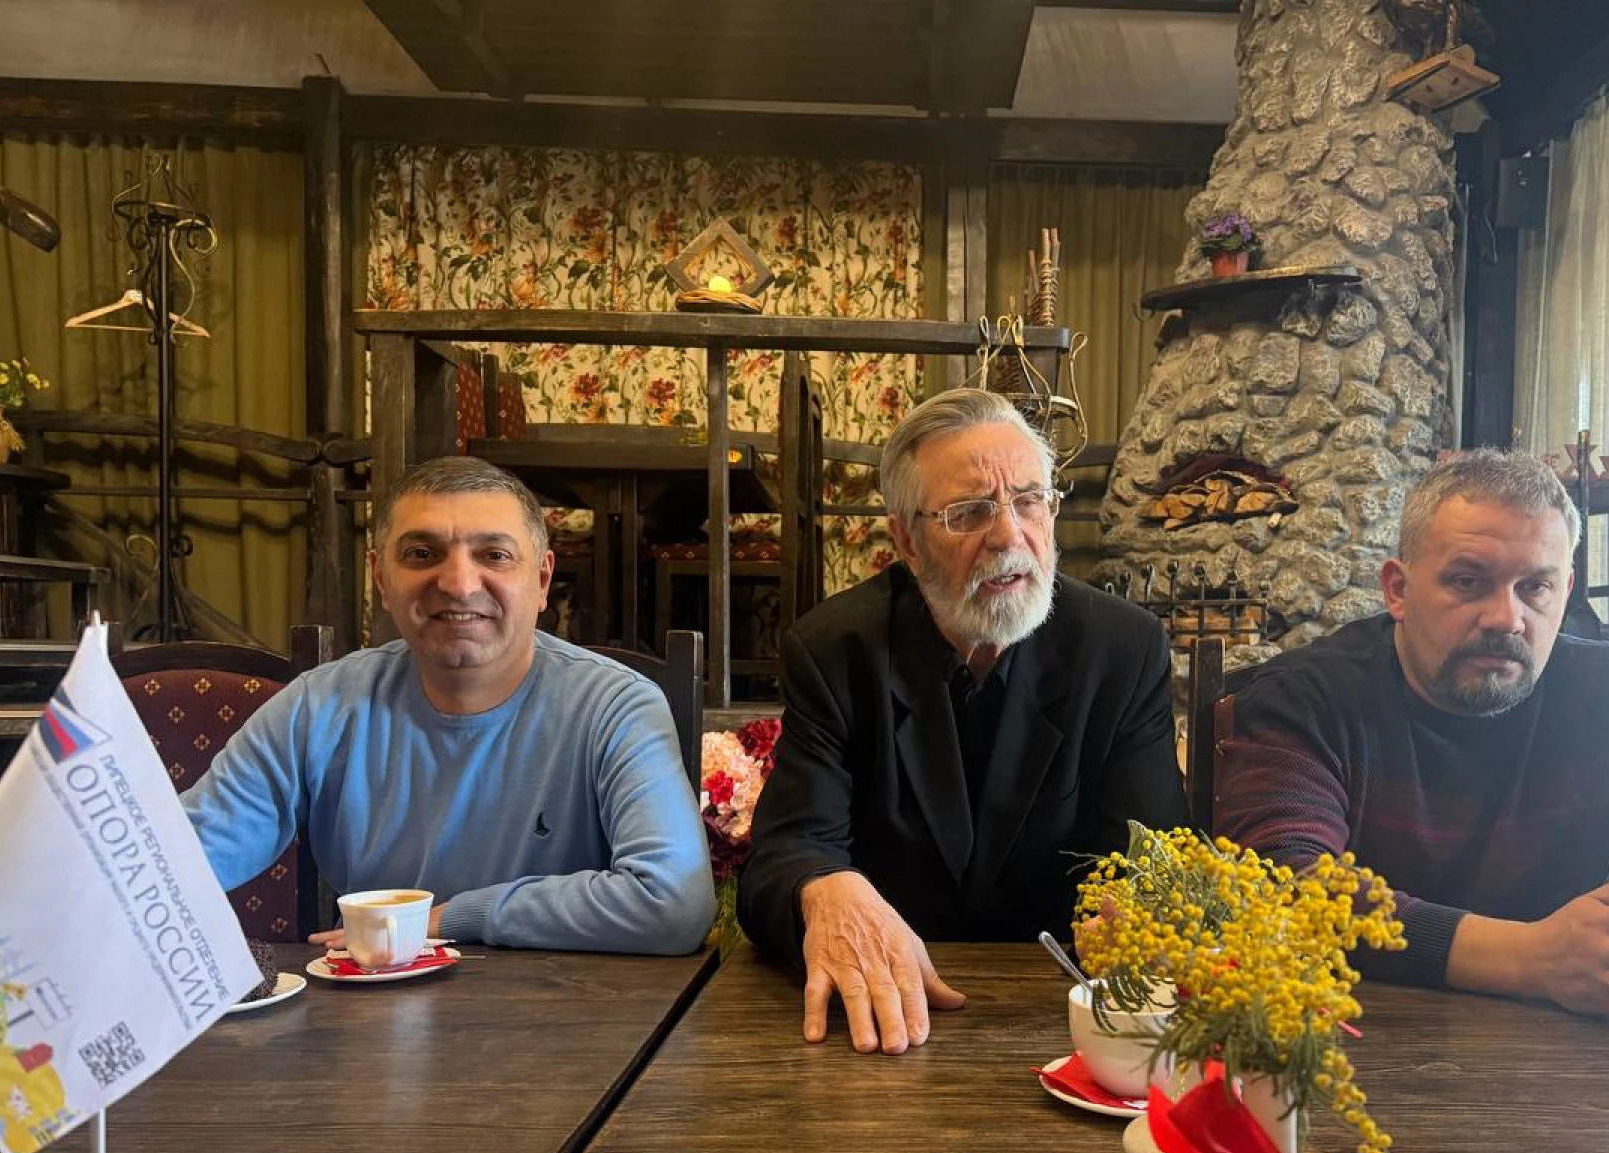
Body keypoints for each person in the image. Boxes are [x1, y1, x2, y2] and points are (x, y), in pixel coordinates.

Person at [1216, 448, 1609, 1033]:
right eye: (1468, 582)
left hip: (1571, 1060)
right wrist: (1533, 958)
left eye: (1535, 587)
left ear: (1565, 592)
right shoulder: (1306, 699)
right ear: (1398, 590)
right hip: (1345, 1044)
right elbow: (1281, 884)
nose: (1506, 617)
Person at [739, 388, 1188, 1054]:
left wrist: (1140, 914)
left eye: (1029, 500)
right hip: (884, 1017)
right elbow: (785, 854)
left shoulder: (1122, 651)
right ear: (907, 540)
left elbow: (1153, 853)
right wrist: (821, 886)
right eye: (970, 512)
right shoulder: (836, 651)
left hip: (1068, 1016)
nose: (1009, 535)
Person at [183, 455, 716, 954]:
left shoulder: (614, 707)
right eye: (422, 553)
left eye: (494, 555)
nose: (459, 584)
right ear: (381, 579)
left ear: (542, 580)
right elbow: (175, 868)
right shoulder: (317, 707)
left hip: (572, 1009)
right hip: (375, 1010)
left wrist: (447, 920)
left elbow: (673, 903)